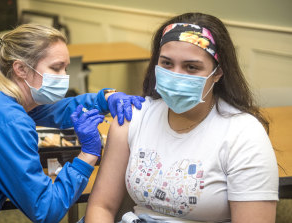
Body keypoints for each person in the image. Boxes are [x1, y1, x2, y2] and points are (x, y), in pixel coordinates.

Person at [84, 12, 279, 223]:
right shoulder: (133, 117)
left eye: (192, 67)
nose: (176, 75)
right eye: (167, 64)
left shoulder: (243, 133)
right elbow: (101, 207)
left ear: (217, 73)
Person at [0, 24, 144, 222]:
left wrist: (103, 99)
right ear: (20, 68)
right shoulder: (8, 122)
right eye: (56, 68)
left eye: (65, 67)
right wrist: (88, 154)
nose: (64, 76)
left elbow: (54, 111)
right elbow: (46, 210)